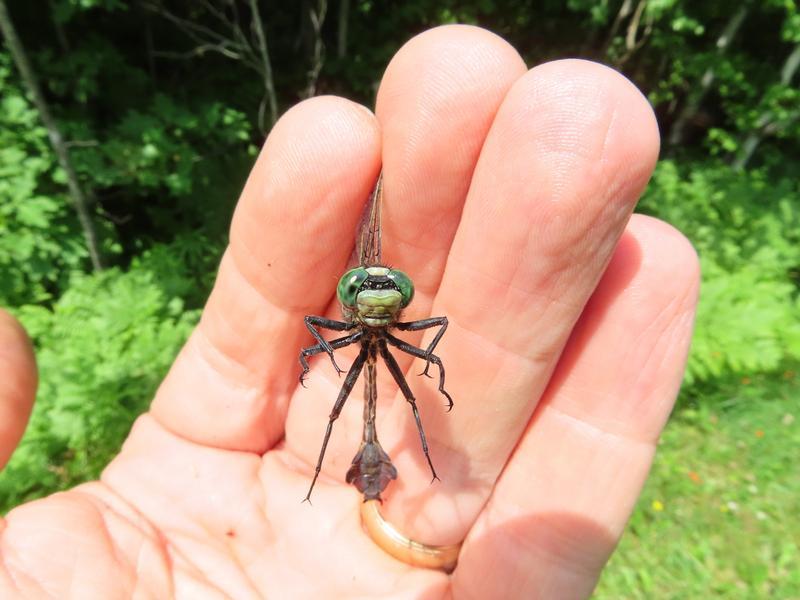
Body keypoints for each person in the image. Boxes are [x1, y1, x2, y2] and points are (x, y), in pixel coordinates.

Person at [0, 25, 698, 599]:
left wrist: (367, 348)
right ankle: (359, 470)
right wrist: (344, 344)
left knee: (398, 399)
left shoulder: (374, 314)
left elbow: (401, 329)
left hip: (379, 336)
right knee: (364, 401)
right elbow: (362, 327)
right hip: (377, 335)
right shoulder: (367, 310)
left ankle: (402, 460)